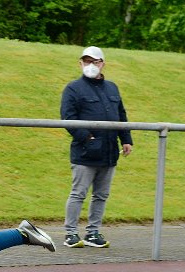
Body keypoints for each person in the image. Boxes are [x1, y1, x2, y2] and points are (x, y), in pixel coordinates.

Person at [60, 46, 133, 249]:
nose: (90, 65)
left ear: (102, 64)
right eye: (87, 61)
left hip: (109, 152)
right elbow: (68, 118)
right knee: (78, 193)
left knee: (101, 195)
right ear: (80, 63)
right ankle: (71, 233)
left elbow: (121, 115)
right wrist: (88, 138)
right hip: (85, 152)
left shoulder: (112, 88)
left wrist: (126, 139)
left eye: (95, 61)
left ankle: (93, 232)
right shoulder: (73, 88)